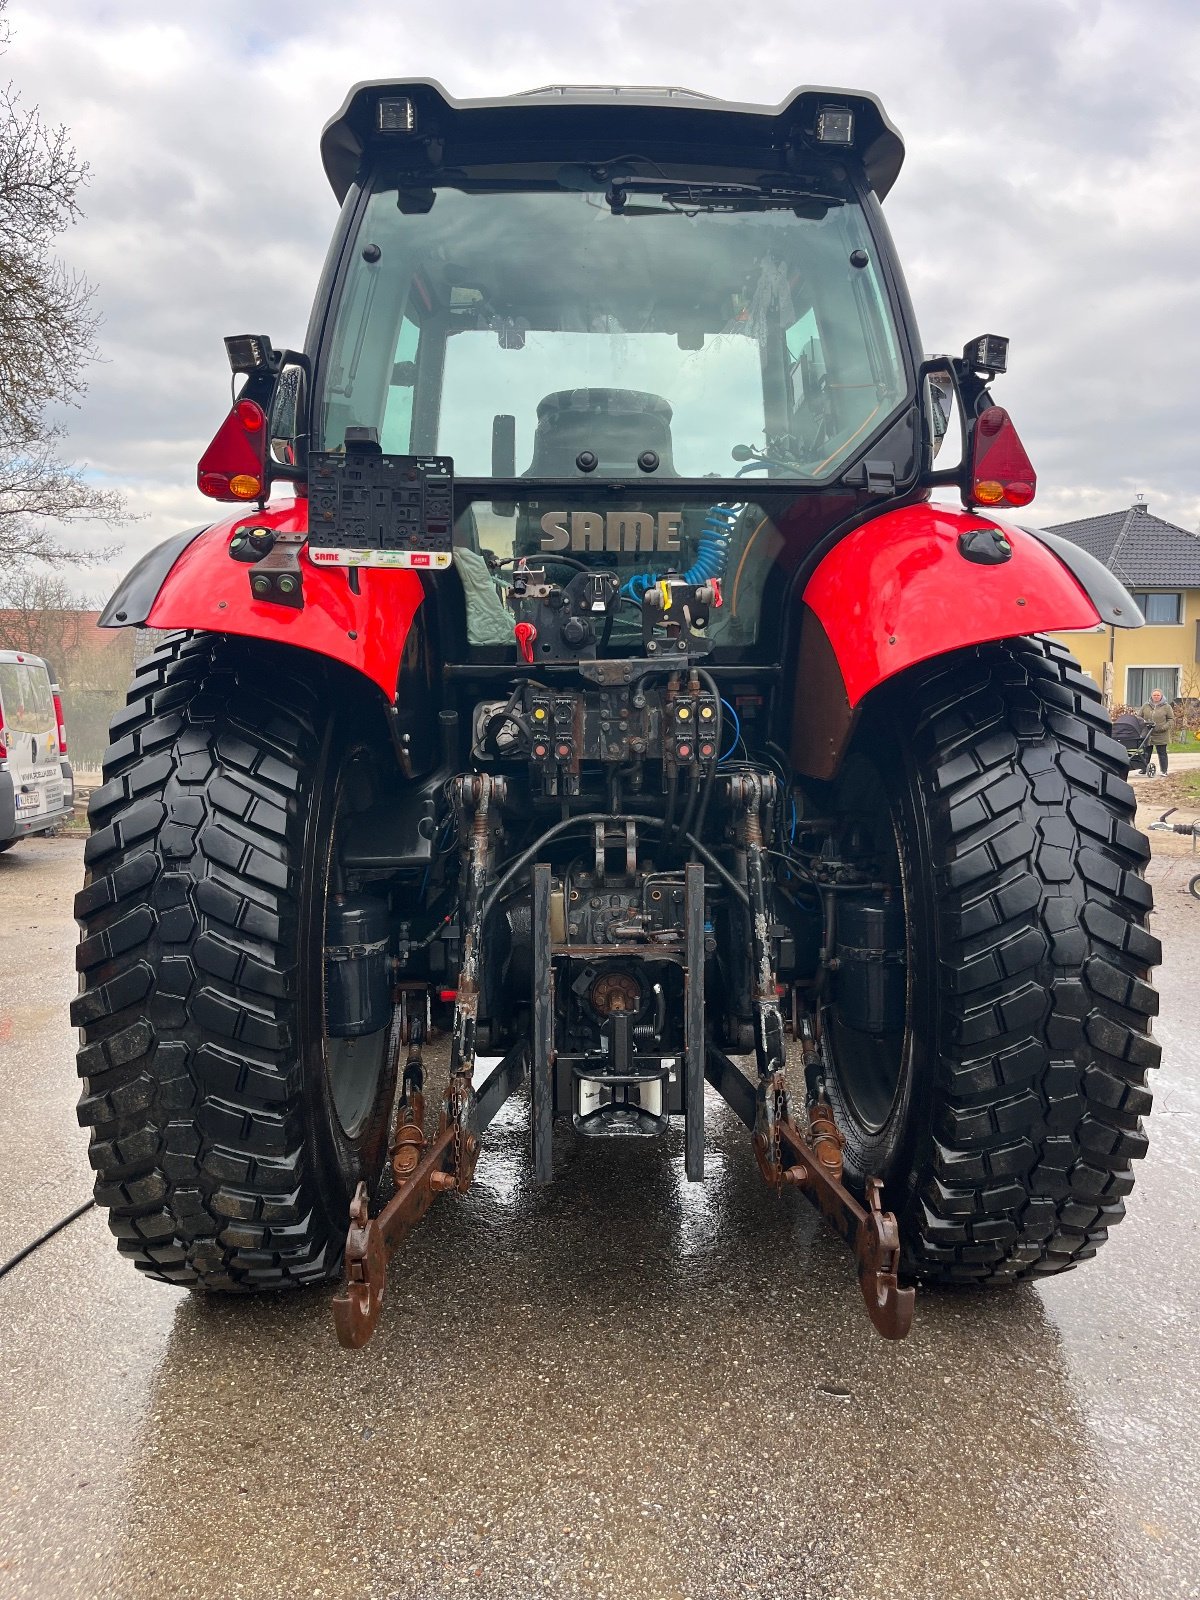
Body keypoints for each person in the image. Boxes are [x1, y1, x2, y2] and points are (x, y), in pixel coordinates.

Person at [1140, 687, 1175, 775]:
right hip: (1148, 733)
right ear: (1151, 696)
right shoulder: (1146, 705)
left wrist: (1163, 727)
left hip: (1161, 734)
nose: (1156, 697)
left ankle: (1164, 770)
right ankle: (1144, 769)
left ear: (1161, 696)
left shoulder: (1167, 707)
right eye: (1154, 695)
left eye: (1158, 695)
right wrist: (1143, 724)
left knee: (1162, 753)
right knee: (1146, 752)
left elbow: (1171, 719)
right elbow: (1139, 716)